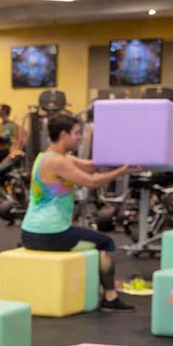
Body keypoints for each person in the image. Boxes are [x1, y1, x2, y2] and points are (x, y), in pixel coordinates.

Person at [19, 113, 141, 311]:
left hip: (31, 232)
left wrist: (121, 158)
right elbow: (91, 181)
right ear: (64, 135)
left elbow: (91, 166)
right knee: (106, 243)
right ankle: (110, 297)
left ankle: (102, 290)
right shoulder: (57, 162)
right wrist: (123, 172)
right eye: (77, 133)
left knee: (92, 238)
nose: (80, 138)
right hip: (50, 235)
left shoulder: (48, 157)